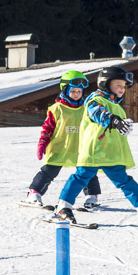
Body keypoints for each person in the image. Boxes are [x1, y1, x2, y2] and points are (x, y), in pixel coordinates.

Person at [52, 67, 138, 228]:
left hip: (111, 153)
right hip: (93, 151)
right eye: (118, 85)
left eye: (124, 86)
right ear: (105, 84)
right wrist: (114, 120)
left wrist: (121, 126)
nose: (121, 89)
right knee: (80, 178)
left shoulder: (116, 105)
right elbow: (98, 113)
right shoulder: (95, 99)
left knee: (124, 181)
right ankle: (63, 207)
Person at [23, 71, 102, 209]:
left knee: (88, 172)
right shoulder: (56, 109)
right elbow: (47, 128)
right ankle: (34, 193)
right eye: (73, 91)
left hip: (82, 149)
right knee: (48, 172)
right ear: (65, 90)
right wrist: (42, 143)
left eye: (79, 91)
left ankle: (92, 196)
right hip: (60, 147)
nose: (76, 94)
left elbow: (95, 127)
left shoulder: (86, 109)